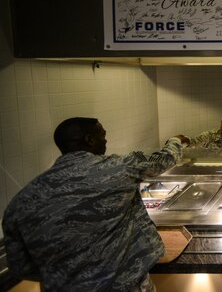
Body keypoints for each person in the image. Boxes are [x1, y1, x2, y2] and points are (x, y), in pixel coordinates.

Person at [2, 117, 189, 292]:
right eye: (103, 136)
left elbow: (21, 267)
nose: (106, 141)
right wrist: (174, 141)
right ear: (89, 140)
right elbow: (163, 161)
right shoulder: (119, 167)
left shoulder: (20, 202)